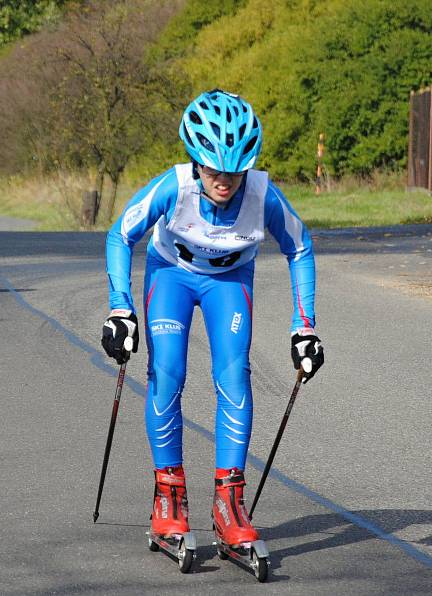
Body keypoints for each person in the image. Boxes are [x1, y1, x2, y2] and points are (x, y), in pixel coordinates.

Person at [101, 89, 324, 550]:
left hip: (229, 283)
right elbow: (120, 235)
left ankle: (229, 502)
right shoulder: (174, 186)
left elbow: (299, 247)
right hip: (172, 278)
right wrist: (120, 308)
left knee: (234, 378)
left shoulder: (263, 196)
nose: (225, 181)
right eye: (214, 170)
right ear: (196, 162)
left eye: (235, 172)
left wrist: (305, 327)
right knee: (167, 373)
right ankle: (169, 497)